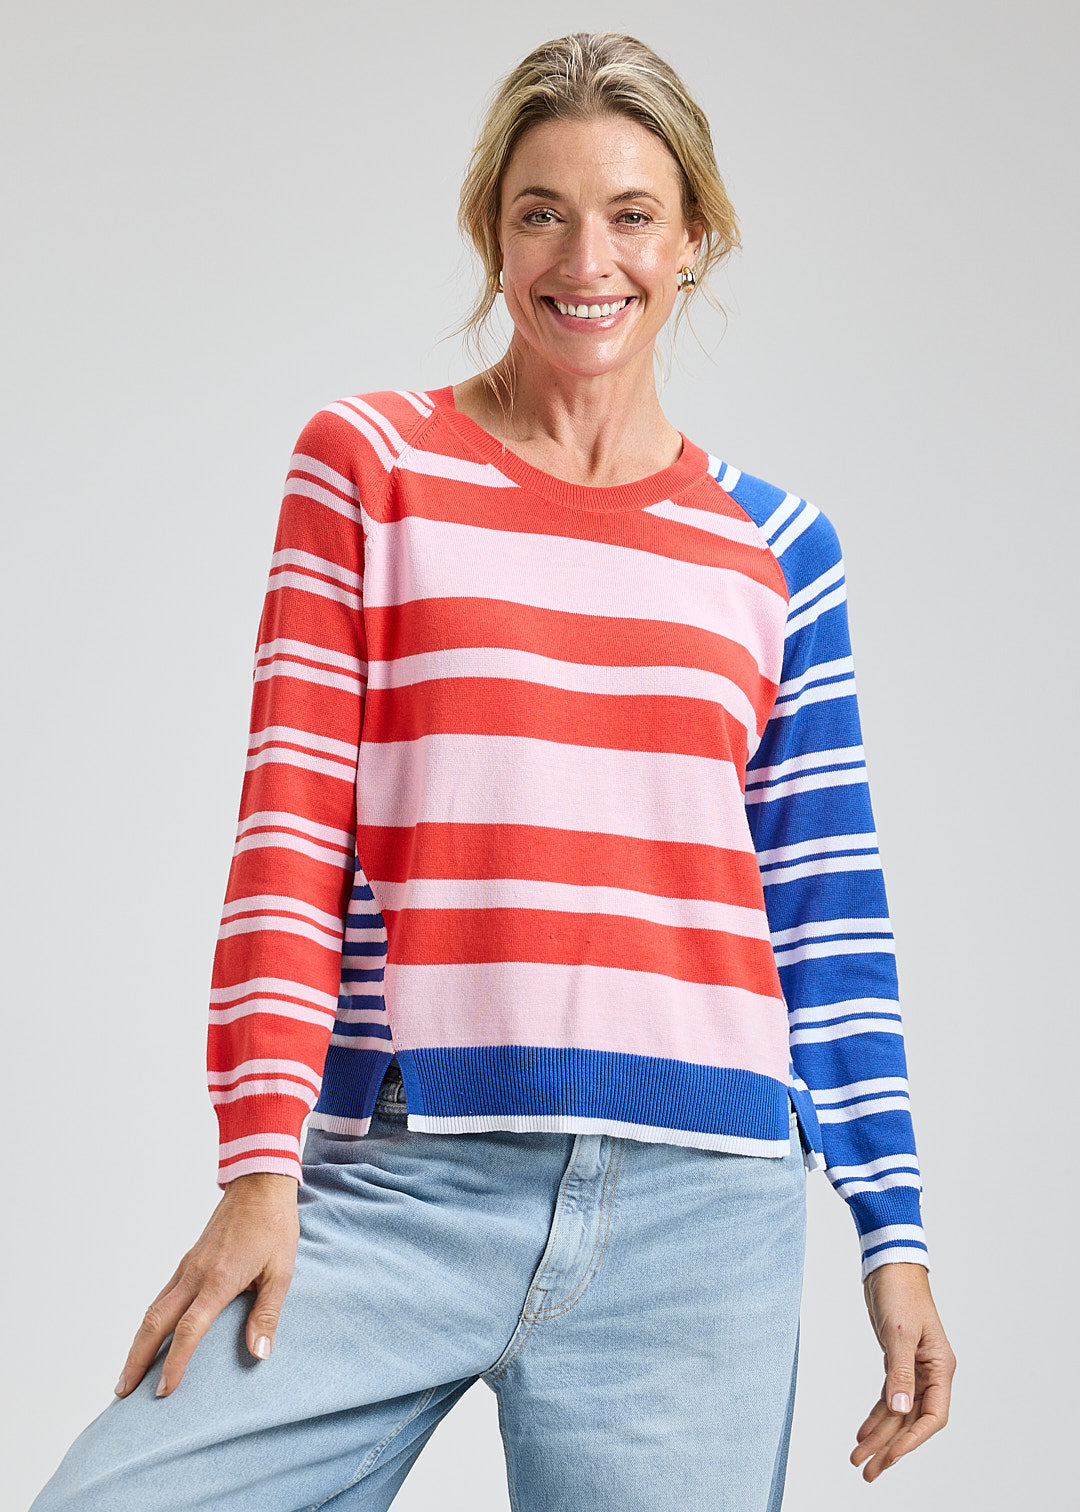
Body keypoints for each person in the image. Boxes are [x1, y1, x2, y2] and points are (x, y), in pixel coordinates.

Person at [30, 31, 955, 1512]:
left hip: (702, 1213)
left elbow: (826, 908)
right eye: (543, 213)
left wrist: (892, 1237)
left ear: (694, 239)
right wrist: (259, 1166)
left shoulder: (781, 549)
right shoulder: (372, 469)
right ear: (493, 234)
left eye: (633, 215)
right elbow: (288, 830)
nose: (588, 260)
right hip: (409, 1170)